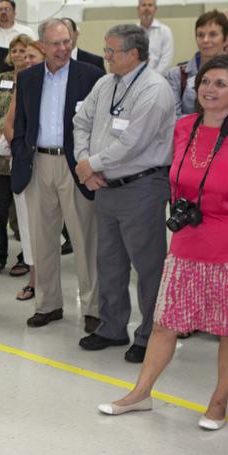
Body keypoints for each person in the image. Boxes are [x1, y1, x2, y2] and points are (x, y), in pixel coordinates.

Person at [99, 55, 228, 430]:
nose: (209, 90)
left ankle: (218, 402)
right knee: (165, 322)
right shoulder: (184, 127)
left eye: (220, 84)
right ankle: (141, 393)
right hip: (188, 239)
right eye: (205, 82)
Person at [73, 24, 176, 362]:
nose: (106, 57)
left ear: (134, 54)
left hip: (141, 186)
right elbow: (81, 121)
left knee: (147, 266)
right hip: (105, 186)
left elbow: (134, 142)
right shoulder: (106, 84)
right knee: (110, 262)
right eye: (105, 50)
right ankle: (112, 326)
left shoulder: (154, 90)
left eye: (111, 51)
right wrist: (83, 161)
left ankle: (149, 334)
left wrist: (92, 164)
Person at [11, 18, 104, 329]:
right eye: (55, 44)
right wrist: (22, 155)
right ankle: (48, 304)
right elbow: (22, 123)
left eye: (67, 41)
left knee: (84, 239)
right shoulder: (29, 78)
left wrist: (91, 164)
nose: (63, 48)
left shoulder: (90, 76)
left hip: (74, 164)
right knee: (42, 240)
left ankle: (92, 308)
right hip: (38, 163)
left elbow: (98, 126)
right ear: (42, 46)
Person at [2, 42, 46, 298]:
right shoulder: (23, 84)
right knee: (28, 225)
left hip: (54, 163)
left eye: (33, 55)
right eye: (24, 56)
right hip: (25, 162)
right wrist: (20, 149)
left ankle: (50, 280)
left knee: (49, 226)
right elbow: (9, 123)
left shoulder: (56, 85)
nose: (27, 60)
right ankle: (34, 279)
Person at [0, 34, 31, 280]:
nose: (18, 55)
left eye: (23, 51)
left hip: (22, 156)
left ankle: (26, 257)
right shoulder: (1, 80)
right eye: (14, 50)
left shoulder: (35, 79)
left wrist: (14, 144)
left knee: (25, 213)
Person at [166, 10, 228, 114]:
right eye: (200, 35)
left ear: (226, 39)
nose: (205, 40)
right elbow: (174, 119)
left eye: (213, 34)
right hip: (190, 130)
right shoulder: (177, 75)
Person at [136, 0, 174, 72]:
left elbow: (166, 61)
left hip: (159, 79)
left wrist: (153, 79)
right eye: (143, 5)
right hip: (136, 79)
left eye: (150, 5)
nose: (147, 8)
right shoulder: (131, 33)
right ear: (138, 8)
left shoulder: (165, 31)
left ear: (155, 9)